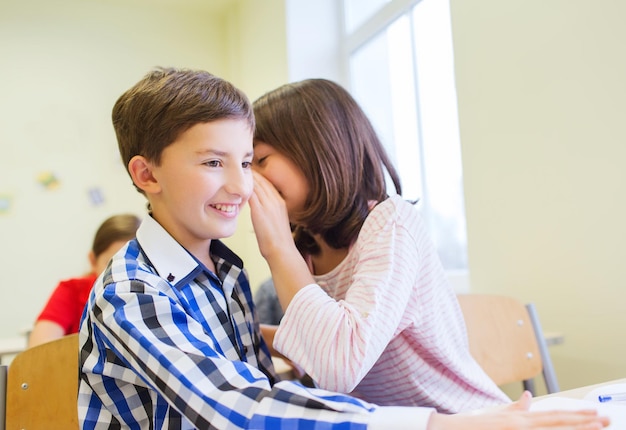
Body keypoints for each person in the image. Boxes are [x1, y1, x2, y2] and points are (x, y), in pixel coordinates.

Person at [77, 67, 609, 430]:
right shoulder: (135, 289)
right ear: (147, 174)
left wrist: (277, 280)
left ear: (317, 150)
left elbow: (281, 374)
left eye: (250, 161)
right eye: (217, 162)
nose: (244, 186)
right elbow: (239, 405)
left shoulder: (232, 271)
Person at [248, 79, 517, 411]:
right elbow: (317, 349)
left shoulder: (391, 223)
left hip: (469, 417)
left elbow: (339, 365)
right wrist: (250, 333)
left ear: (318, 150)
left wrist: (277, 248)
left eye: (260, 160)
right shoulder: (304, 250)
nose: (250, 179)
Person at [28, 213, 140, 348]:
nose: (125, 276)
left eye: (135, 266)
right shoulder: (71, 291)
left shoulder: (159, 294)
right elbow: (40, 351)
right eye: (113, 265)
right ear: (93, 261)